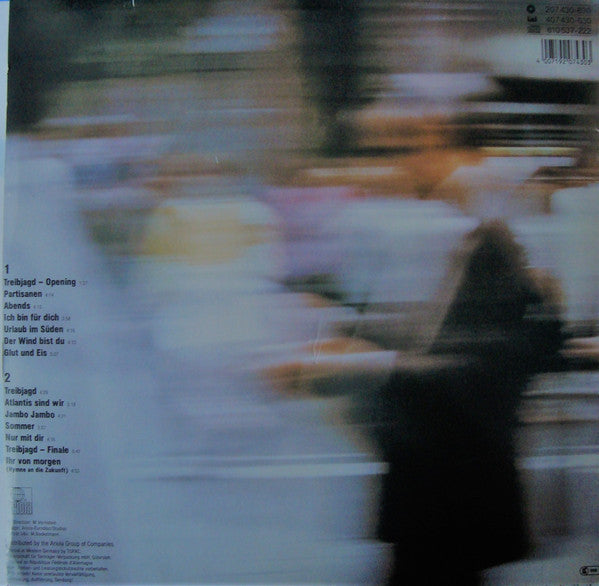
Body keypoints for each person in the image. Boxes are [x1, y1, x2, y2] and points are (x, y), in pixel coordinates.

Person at [374, 220, 564, 585]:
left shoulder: (455, 317)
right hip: (480, 481)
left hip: (425, 490)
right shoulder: (518, 317)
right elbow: (551, 347)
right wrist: (542, 292)